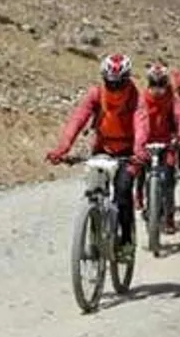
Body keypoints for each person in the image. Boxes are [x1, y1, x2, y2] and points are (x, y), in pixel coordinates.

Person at [46, 53, 146, 263]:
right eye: (111, 83)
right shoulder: (96, 94)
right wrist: (62, 148)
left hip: (128, 153)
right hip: (102, 147)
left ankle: (126, 241)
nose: (115, 87)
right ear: (104, 78)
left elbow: (141, 124)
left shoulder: (136, 97)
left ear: (127, 80)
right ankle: (94, 237)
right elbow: (78, 119)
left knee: (123, 192)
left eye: (120, 83)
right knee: (94, 192)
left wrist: (138, 151)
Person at [135, 63, 180, 235]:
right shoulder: (142, 98)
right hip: (147, 141)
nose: (157, 88)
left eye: (161, 84)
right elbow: (140, 120)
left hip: (167, 142)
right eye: (153, 84)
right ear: (148, 83)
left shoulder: (172, 98)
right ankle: (142, 199)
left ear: (166, 83)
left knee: (168, 180)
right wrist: (139, 143)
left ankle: (169, 218)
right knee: (140, 170)